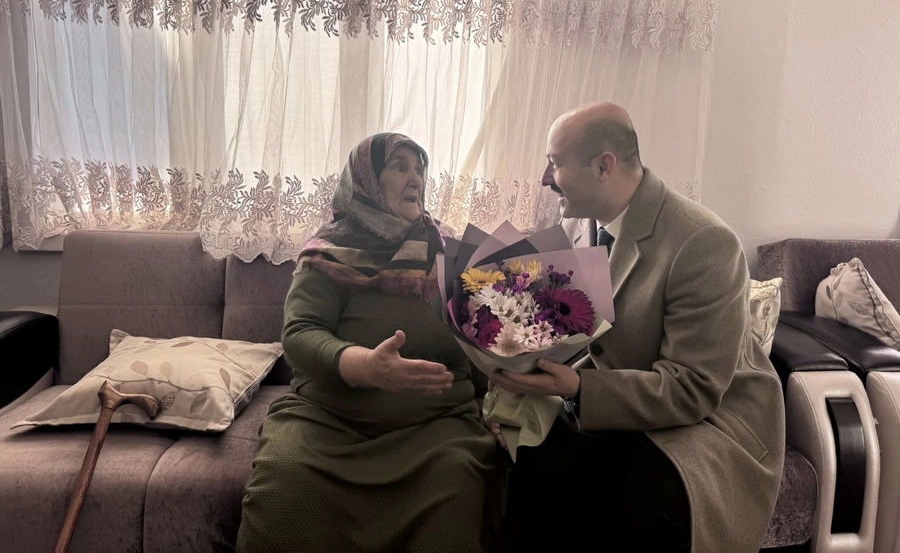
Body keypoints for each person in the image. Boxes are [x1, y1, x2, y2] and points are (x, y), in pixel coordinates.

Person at [491, 102, 785, 553]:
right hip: (629, 399)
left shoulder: (704, 241)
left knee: (634, 504)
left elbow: (693, 388)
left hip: (711, 420)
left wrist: (577, 388)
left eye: (554, 163)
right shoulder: (582, 226)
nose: (544, 178)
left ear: (603, 166)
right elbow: (587, 335)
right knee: (534, 466)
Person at [235, 133, 498, 553]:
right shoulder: (328, 251)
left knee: (454, 492)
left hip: (437, 428)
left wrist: (501, 396)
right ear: (367, 181)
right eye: (400, 167)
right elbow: (300, 334)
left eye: (419, 169)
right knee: (284, 488)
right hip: (330, 420)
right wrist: (365, 367)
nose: (415, 179)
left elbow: (485, 335)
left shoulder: (453, 253)